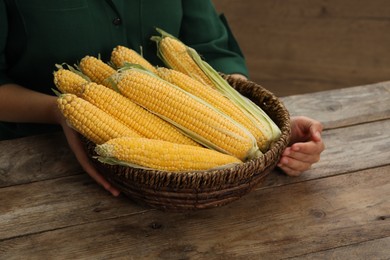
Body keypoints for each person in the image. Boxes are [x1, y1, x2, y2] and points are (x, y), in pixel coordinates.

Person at [0, 0, 324, 196]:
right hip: (35, 169)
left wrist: (265, 131)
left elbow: (211, 51)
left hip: (194, 179)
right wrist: (60, 111)